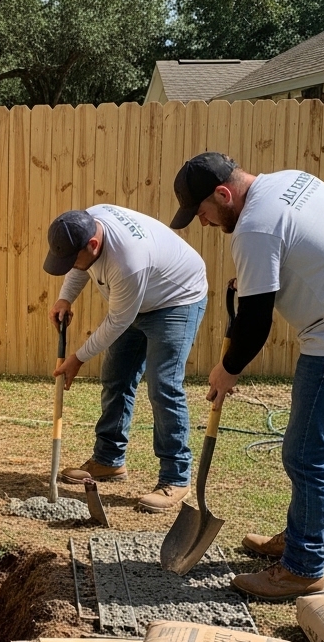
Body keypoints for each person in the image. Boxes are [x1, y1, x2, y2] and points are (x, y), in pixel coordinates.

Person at [170, 152, 324, 601]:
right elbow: (302, 251)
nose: (202, 223)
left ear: (223, 194)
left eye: (202, 212)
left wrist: (227, 370)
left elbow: (256, 320)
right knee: (319, 446)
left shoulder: (256, 227)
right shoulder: (288, 181)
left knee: (306, 453)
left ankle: (303, 566)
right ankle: (301, 537)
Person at [44, 205, 208, 512]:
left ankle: (176, 478)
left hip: (177, 299)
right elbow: (80, 267)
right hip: (141, 296)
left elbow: (118, 321)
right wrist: (65, 296)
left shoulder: (127, 262)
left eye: (72, 258)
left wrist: (77, 358)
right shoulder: (86, 222)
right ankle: (108, 461)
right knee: (116, 377)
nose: (70, 265)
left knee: (163, 386)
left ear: (93, 245)